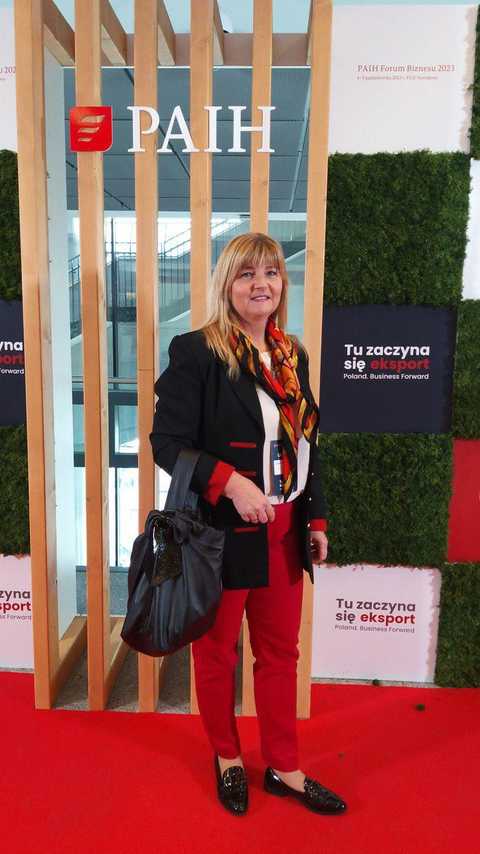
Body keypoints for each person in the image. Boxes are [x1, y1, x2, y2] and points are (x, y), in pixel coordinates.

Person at [149, 232, 347, 817]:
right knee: (217, 655)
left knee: (281, 653)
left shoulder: (292, 355)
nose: (262, 284)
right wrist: (230, 483)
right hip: (220, 532)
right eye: (247, 273)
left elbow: (306, 444)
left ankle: (284, 766)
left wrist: (315, 517)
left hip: (285, 529)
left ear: (282, 283)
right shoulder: (197, 352)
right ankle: (227, 757)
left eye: (271, 273)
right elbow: (167, 443)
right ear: (227, 284)